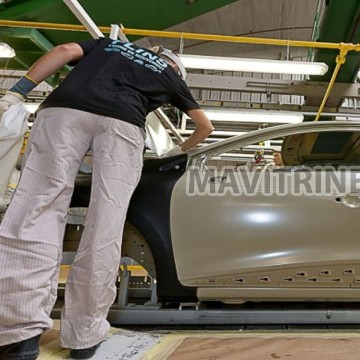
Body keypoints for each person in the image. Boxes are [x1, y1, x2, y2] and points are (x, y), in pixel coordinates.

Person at [0, 38, 213, 360]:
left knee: (36, 208)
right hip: (123, 126)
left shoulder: (108, 45)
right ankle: (84, 338)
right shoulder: (171, 77)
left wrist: (18, 91)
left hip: (63, 113)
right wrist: (173, 152)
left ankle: (20, 336)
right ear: (176, 68)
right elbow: (204, 127)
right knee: (105, 225)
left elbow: (63, 51)